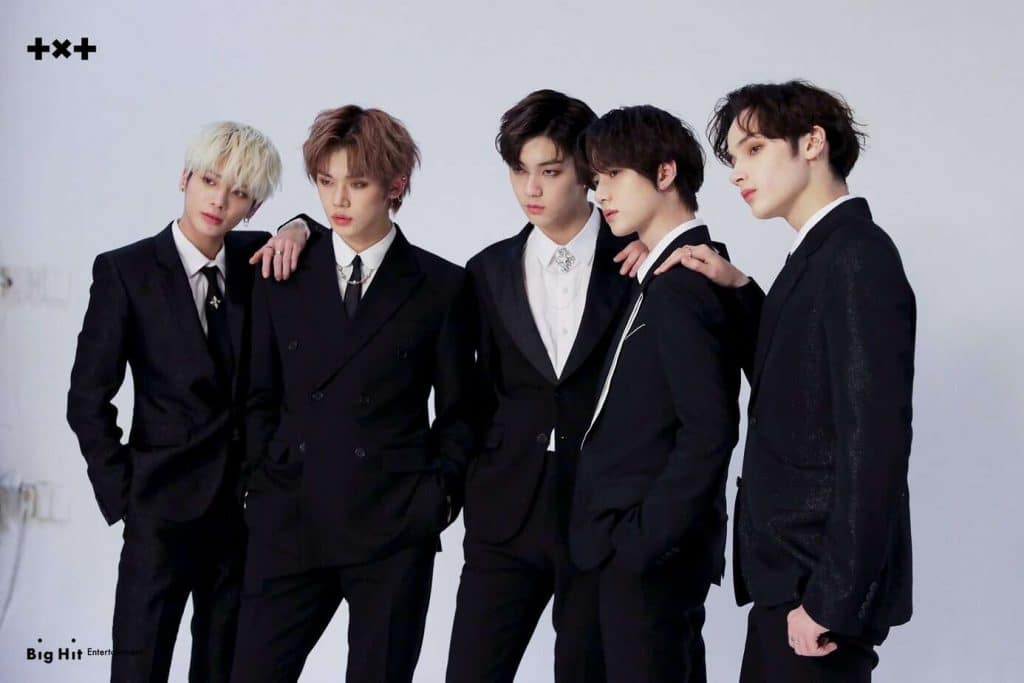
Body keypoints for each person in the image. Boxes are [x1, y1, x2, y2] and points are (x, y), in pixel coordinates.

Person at [658, 80, 916, 682]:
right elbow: (798, 387)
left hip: (817, 588)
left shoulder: (856, 255)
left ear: (812, 143)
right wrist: (742, 290)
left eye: (754, 149)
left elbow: (874, 443)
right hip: (791, 578)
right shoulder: (817, 256)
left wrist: (831, 598)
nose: (737, 172)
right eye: (733, 157)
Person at [230, 105, 475, 683]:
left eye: (357, 184)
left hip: (392, 527)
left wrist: (437, 500)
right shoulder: (281, 272)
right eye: (325, 181)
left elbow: (461, 411)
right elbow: (257, 394)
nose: (338, 200)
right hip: (291, 519)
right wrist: (264, 481)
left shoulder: (441, 285)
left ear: (396, 186)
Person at [67, 121, 282, 682]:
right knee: (139, 667)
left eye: (238, 192)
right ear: (185, 178)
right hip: (158, 511)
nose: (219, 200)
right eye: (210, 180)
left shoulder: (258, 261)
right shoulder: (126, 271)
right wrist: (127, 496)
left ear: (253, 207)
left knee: (223, 668)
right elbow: (87, 398)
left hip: (239, 515)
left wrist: (300, 228)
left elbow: (313, 231)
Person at [445, 89, 645, 683]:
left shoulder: (640, 260)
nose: (530, 189)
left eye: (550, 172)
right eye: (519, 170)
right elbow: (472, 396)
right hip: (505, 511)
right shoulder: (486, 271)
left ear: (586, 172)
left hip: (600, 512)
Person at [569, 105, 745, 683]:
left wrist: (645, 541)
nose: (600, 193)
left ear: (665, 173)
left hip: (649, 557)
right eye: (596, 179)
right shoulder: (664, 274)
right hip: (624, 550)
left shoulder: (684, 284)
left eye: (614, 175)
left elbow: (711, 428)